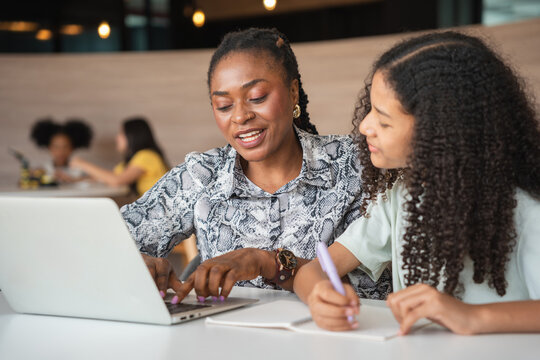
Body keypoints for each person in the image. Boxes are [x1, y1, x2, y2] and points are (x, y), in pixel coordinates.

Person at [120, 28, 392, 305]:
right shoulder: (202, 176)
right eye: (224, 105)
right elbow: (105, 243)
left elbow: (373, 286)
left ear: (293, 91)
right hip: (232, 342)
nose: (240, 116)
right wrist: (141, 263)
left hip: (343, 337)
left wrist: (269, 264)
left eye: (258, 97)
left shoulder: (358, 163)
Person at [294, 31, 540, 335]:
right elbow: (311, 271)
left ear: (442, 134)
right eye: (370, 109)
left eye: (383, 121)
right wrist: (318, 294)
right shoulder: (403, 196)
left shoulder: (528, 210)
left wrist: (471, 316)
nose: (364, 125)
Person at [70, 117, 168, 197]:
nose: (117, 138)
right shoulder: (131, 162)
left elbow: (116, 181)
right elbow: (105, 177)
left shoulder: (147, 156)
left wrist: (82, 164)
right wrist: (72, 179)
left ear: (133, 136)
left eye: (121, 133)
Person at [30, 118, 93, 182]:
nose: (61, 151)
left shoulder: (81, 170)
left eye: (65, 147)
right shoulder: (41, 171)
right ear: (49, 148)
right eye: (56, 147)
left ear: (72, 148)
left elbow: (96, 178)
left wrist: (74, 180)